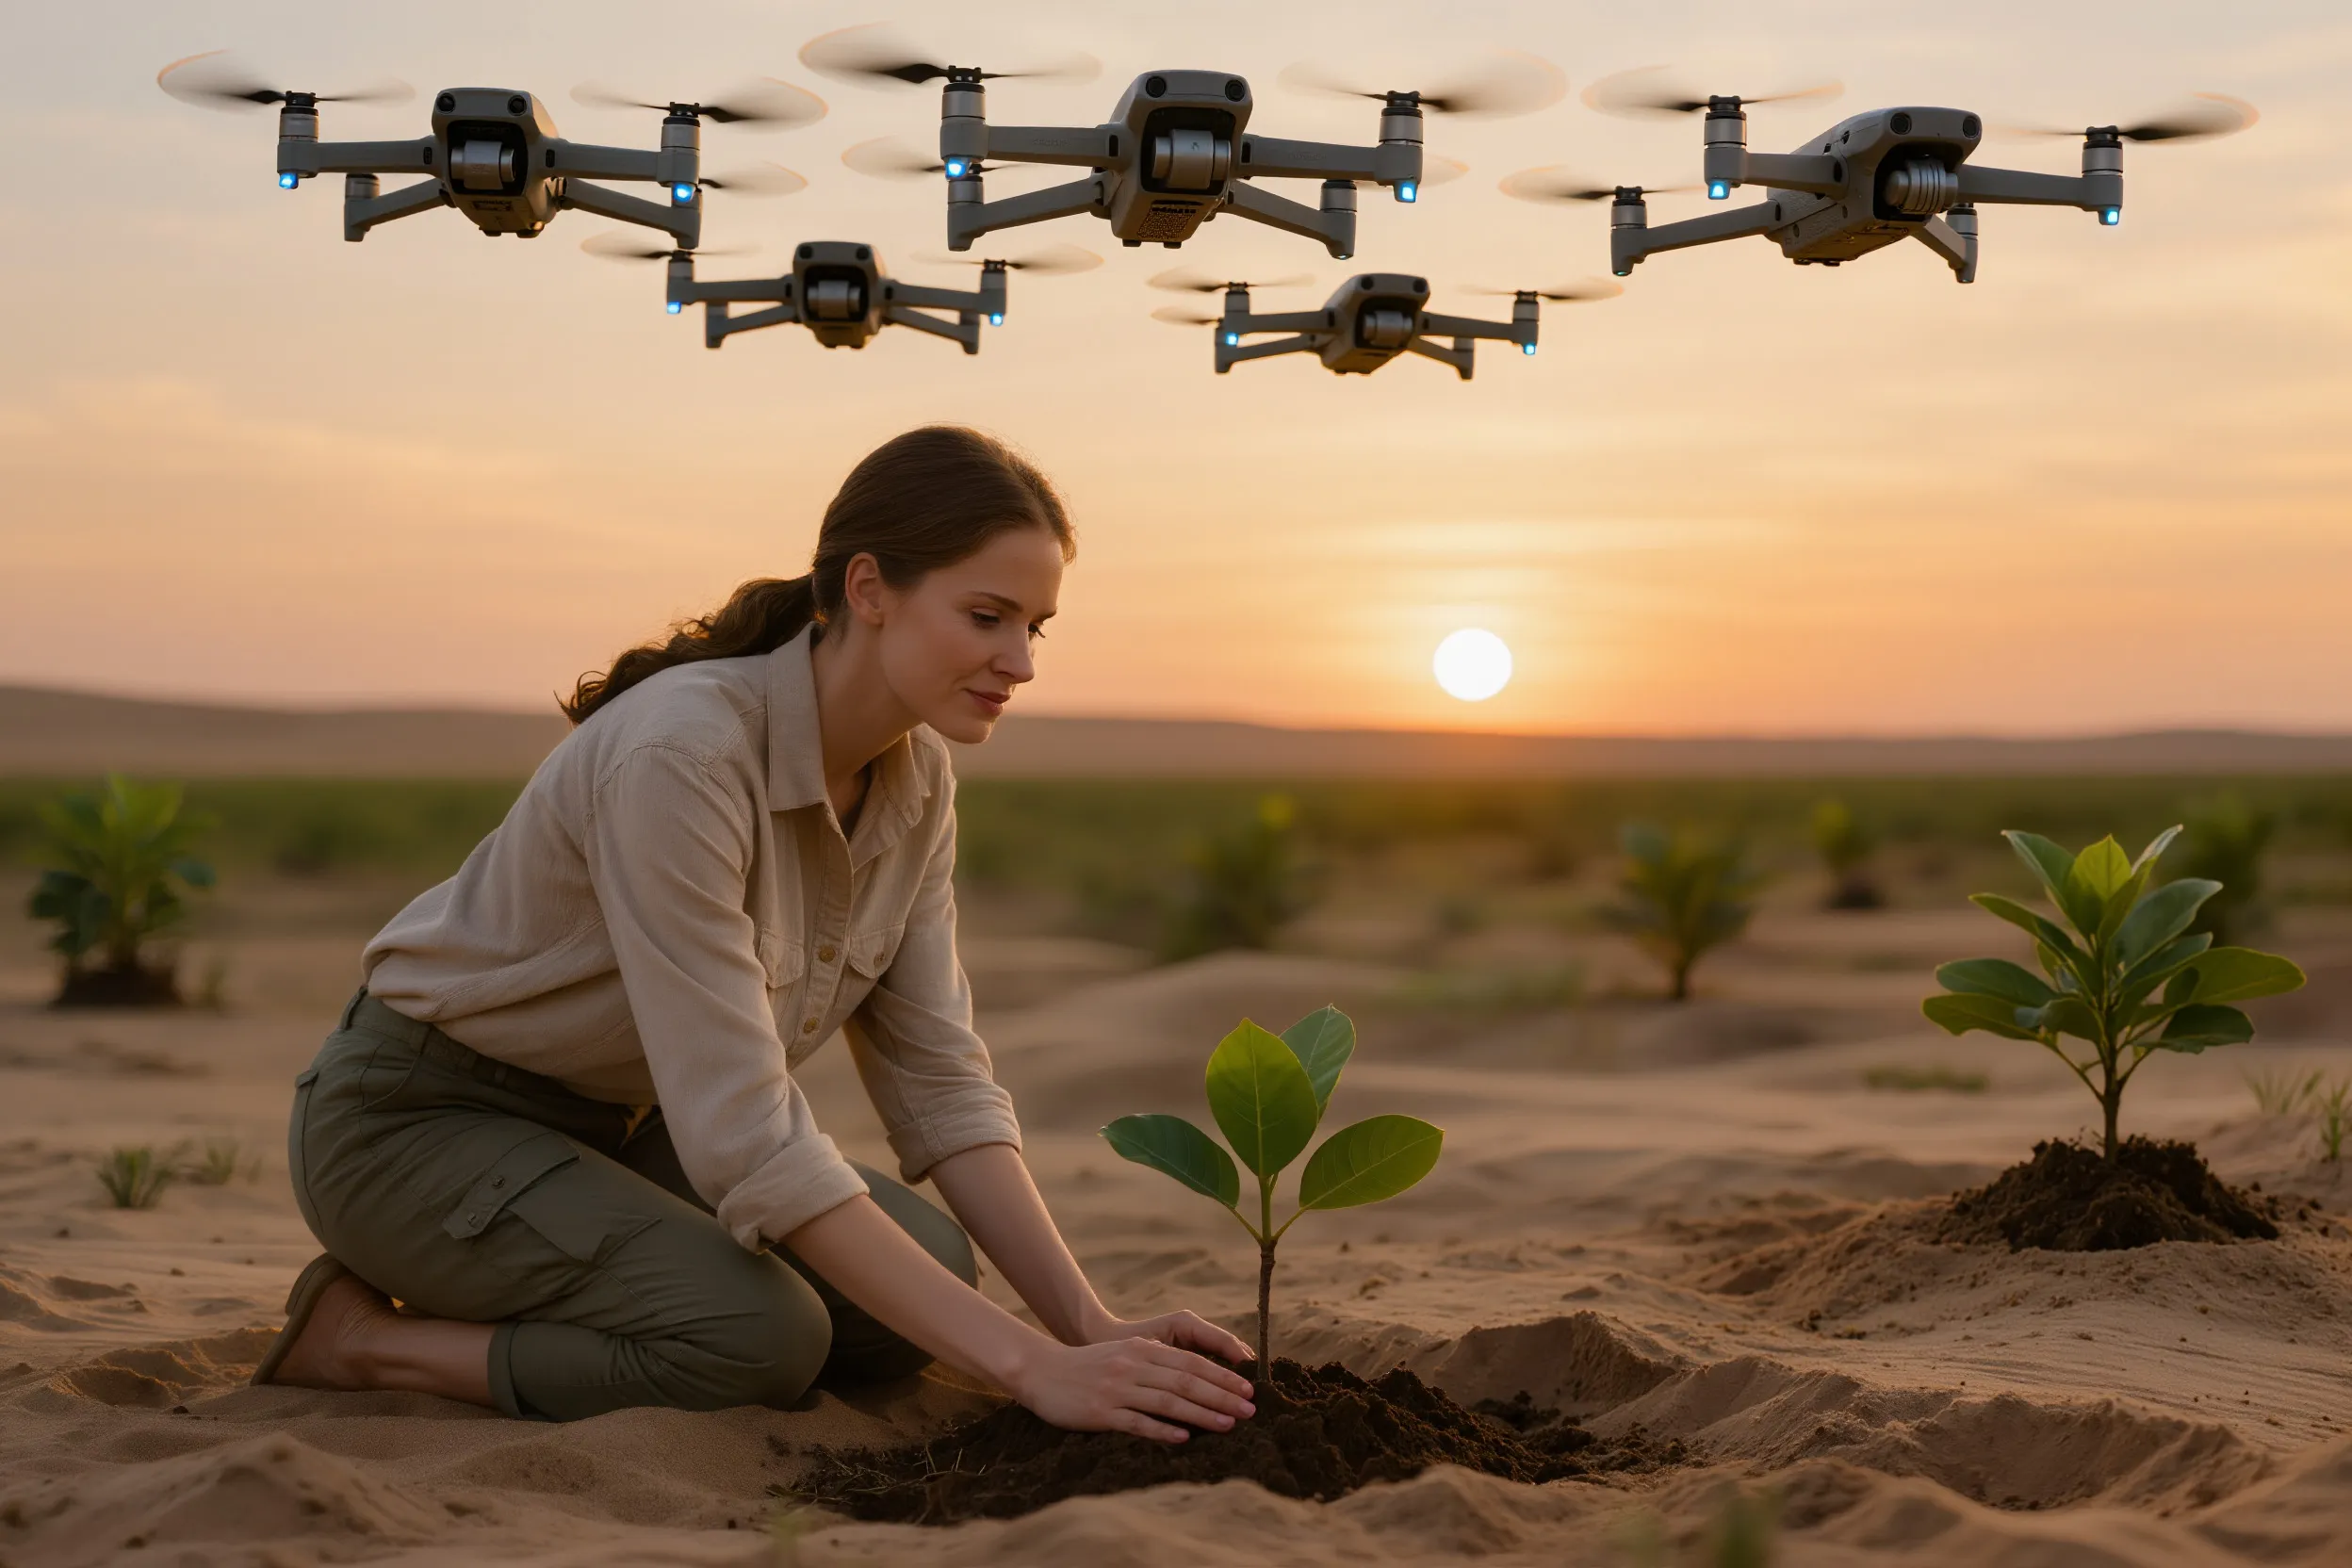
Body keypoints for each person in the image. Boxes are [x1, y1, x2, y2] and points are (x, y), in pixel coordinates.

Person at [256, 425, 1257, 1442]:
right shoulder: (683, 755)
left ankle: (578, 1273)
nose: (1021, 662)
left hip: (618, 1130)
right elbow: (744, 1133)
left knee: (922, 1281)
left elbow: (940, 1079)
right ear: (869, 588)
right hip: (416, 1126)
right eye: (987, 615)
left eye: (1037, 625)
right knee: (758, 1335)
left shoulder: (915, 781)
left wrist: (1082, 1328)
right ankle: (360, 1340)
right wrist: (1027, 1367)